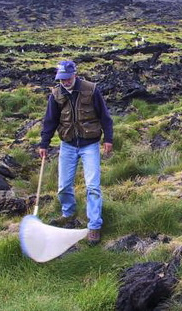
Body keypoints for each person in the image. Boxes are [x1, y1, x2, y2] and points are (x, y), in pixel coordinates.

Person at [38, 60, 113, 245]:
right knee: (63, 187)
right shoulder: (56, 95)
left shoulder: (91, 89)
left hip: (90, 145)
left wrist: (108, 139)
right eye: (61, 79)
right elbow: (50, 121)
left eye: (67, 78)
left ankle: (94, 226)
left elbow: (105, 117)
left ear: (75, 75)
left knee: (93, 187)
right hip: (68, 145)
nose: (65, 82)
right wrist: (44, 144)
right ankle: (68, 214)